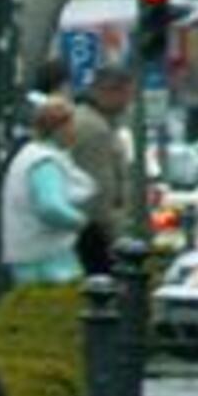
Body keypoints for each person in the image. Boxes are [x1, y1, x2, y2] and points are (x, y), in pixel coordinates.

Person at [0, 96, 97, 287]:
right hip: (45, 257)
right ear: (60, 127)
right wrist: (83, 224)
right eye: (71, 124)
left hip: (30, 253)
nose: (75, 131)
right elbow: (50, 208)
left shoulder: (31, 154)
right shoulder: (44, 162)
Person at [73, 63, 141, 272]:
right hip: (93, 233)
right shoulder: (95, 129)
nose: (129, 101)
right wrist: (116, 235)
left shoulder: (90, 120)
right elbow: (102, 187)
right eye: (127, 94)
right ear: (110, 92)